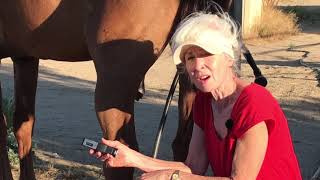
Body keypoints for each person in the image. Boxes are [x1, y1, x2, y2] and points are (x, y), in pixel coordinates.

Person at [90, 12, 302, 180]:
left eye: (206, 53)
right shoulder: (204, 102)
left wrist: (172, 177)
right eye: (190, 57)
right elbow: (192, 167)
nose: (198, 65)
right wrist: (131, 158)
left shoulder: (254, 102)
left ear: (229, 57)